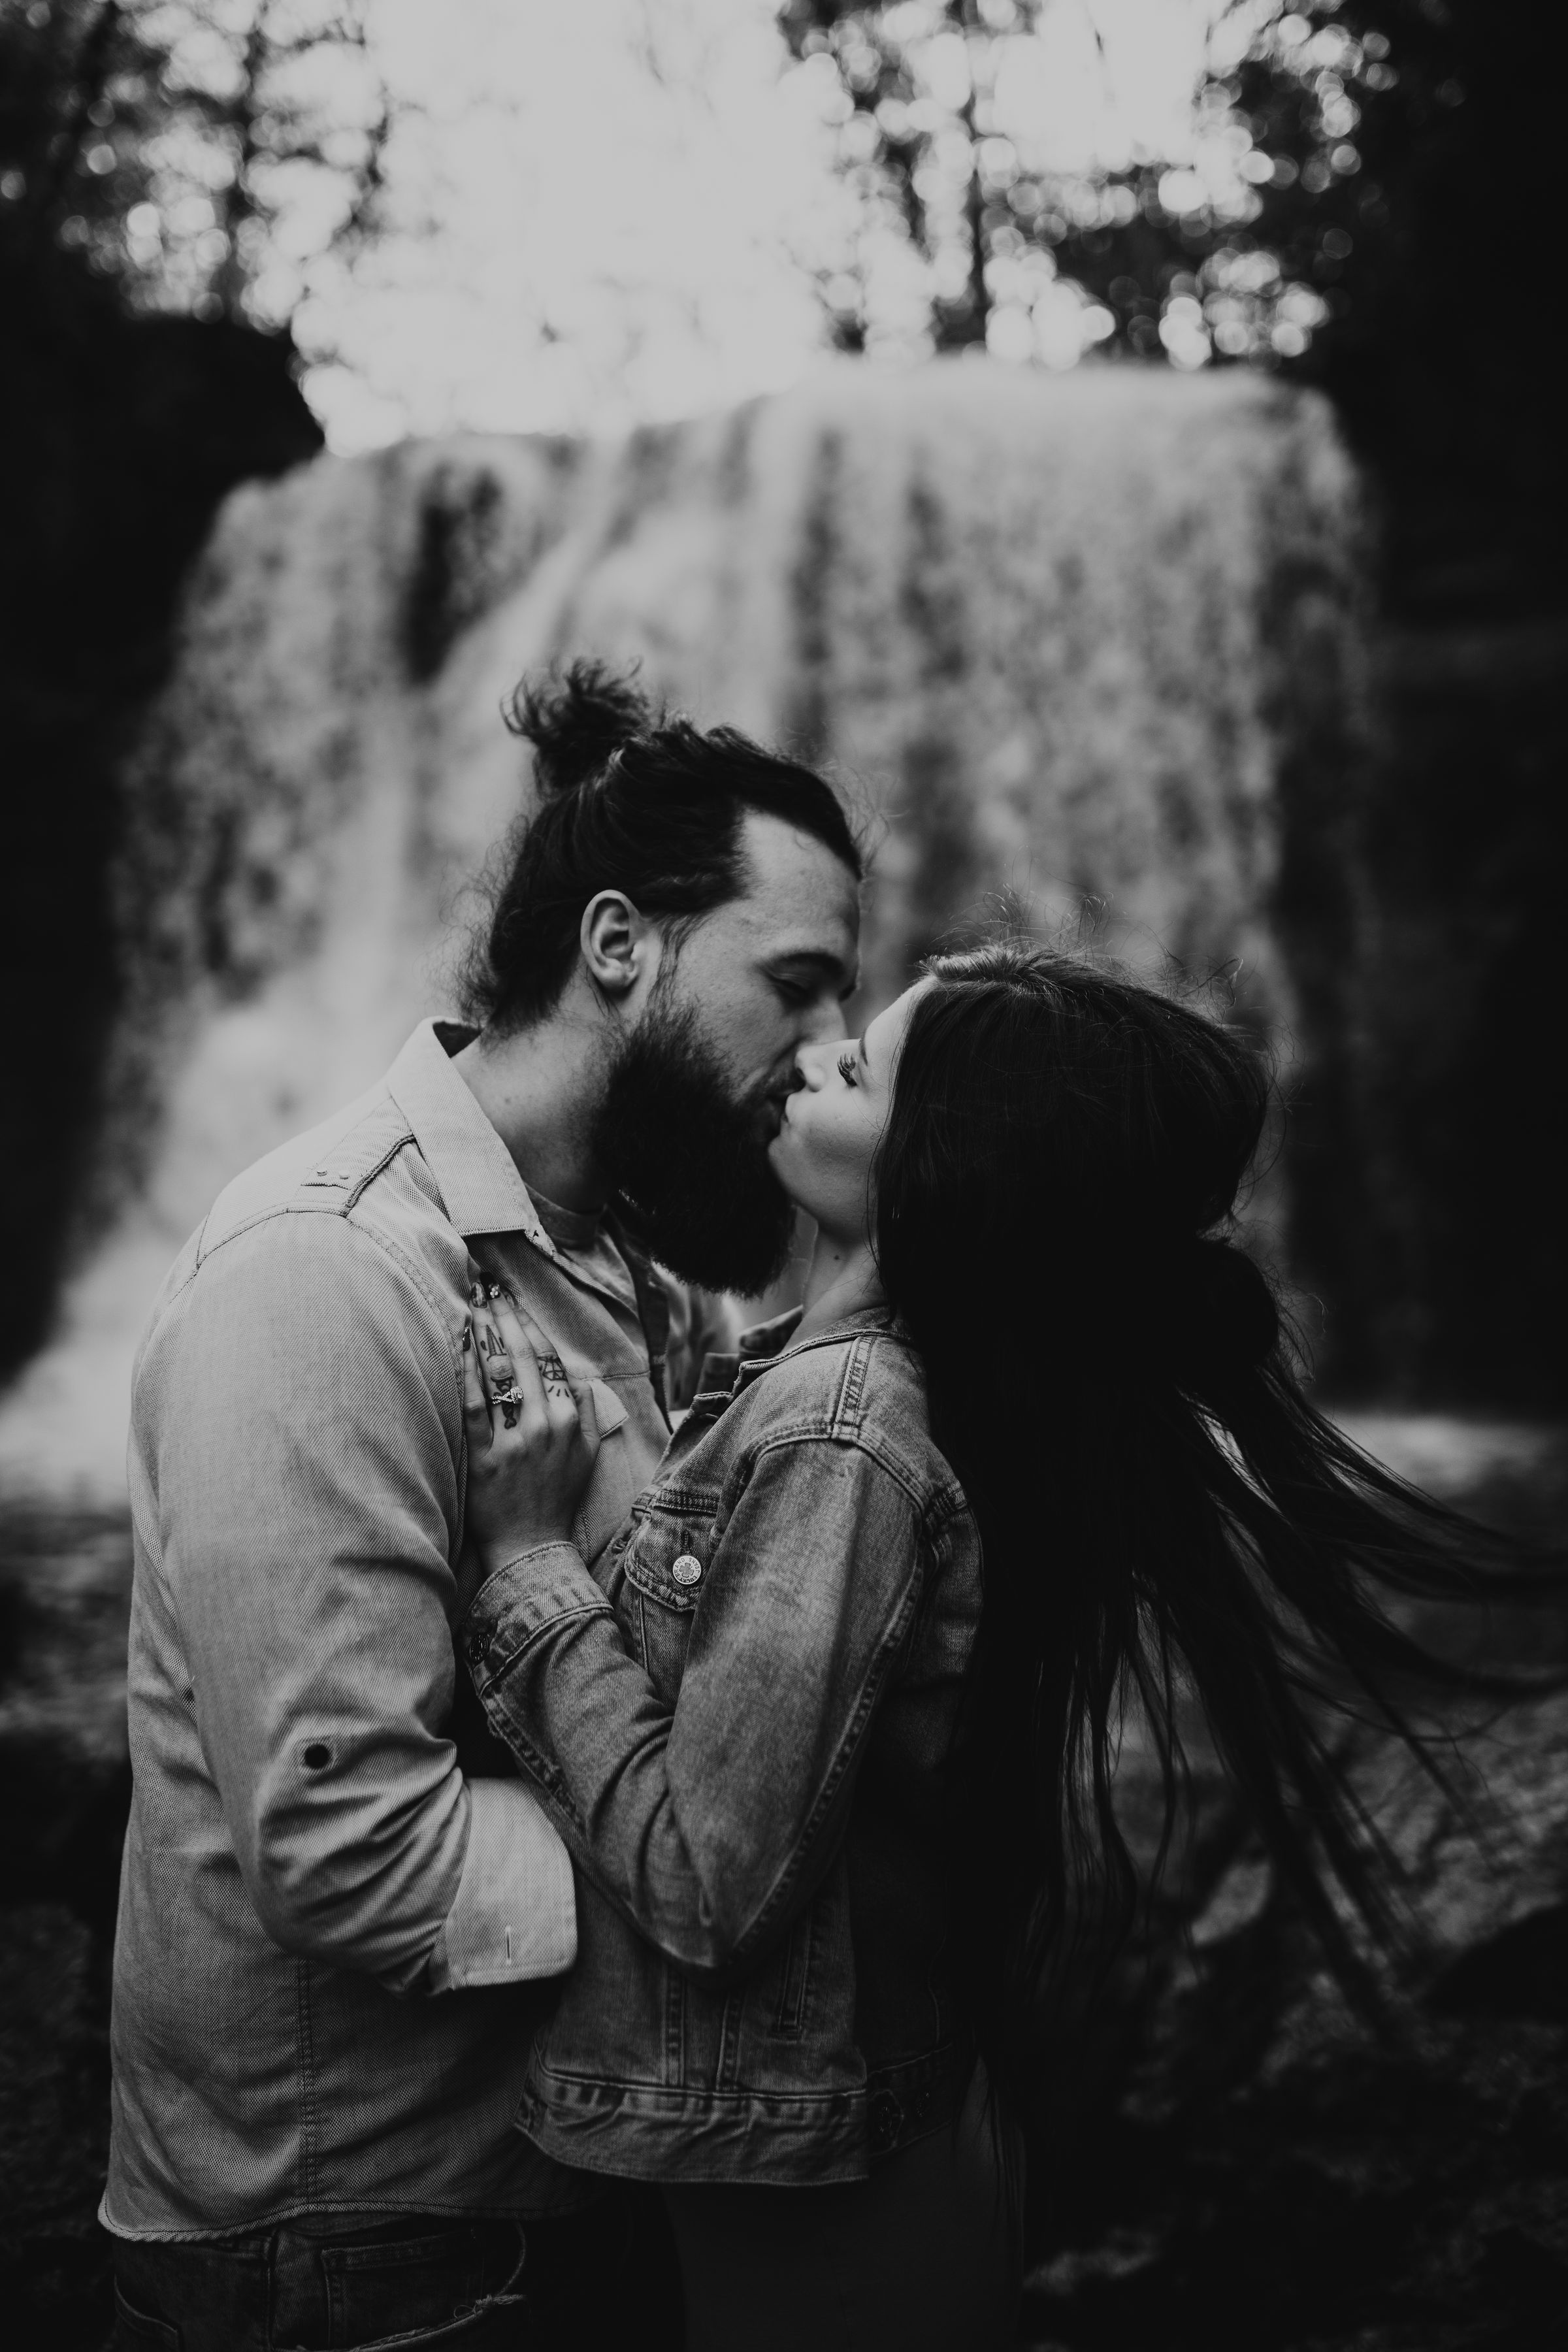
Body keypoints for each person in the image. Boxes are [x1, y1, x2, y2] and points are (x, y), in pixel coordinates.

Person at [451, 936, 1548, 2352]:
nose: (819, 1053)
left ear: (955, 1172)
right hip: (875, 2147)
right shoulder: (873, 1392)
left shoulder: (847, 1431)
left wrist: (532, 1565)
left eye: (870, 1071)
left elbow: (709, 1877)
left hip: (812, 2199)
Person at [103, 661, 863, 2351]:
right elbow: (349, 1847)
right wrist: (741, 1888)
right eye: (796, 988)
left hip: (559, 2182)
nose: (826, 1063)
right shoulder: (327, 1271)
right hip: (357, 2236)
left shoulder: (642, 1274)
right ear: (620, 945)